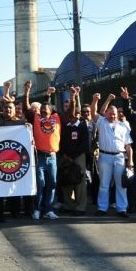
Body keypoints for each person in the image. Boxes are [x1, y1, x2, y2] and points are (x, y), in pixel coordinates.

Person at [90, 93, 133, 218]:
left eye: (114, 113)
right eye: (110, 113)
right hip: (105, 157)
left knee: (121, 184)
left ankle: (122, 209)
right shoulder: (101, 122)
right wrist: (94, 100)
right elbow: (93, 112)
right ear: (106, 113)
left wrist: (130, 161)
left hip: (120, 156)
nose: (112, 115)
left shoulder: (123, 125)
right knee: (104, 183)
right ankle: (102, 208)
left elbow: (128, 145)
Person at [23, 81, 60, 220]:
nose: (44, 112)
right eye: (42, 110)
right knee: (41, 184)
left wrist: (49, 96)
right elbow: (27, 109)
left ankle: (48, 210)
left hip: (53, 157)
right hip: (40, 157)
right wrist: (27, 91)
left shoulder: (56, 119)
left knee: (52, 184)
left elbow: (55, 108)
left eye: (46, 111)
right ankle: (37, 209)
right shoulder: (36, 119)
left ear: (51, 112)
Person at [59, 87, 89, 215]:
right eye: (70, 114)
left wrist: (73, 156)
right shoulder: (65, 126)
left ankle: (80, 207)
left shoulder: (82, 127)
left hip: (78, 156)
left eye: (75, 114)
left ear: (78, 115)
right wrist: (65, 155)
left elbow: (84, 144)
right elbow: (62, 142)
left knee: (79, 180)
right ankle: (69, 205)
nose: (72, 116)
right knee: (66, 180)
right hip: (66, 156)